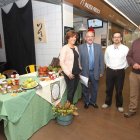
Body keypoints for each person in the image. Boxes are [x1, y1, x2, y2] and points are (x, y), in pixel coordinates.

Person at [102, 32, 129, 113]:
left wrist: (124, 67)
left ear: (121, 38)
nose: (116, 38)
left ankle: (119, 105)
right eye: (115, 37)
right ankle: (107, 103)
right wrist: (108, 66)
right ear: (112, 38)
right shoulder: (108, 48)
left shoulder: (125, 49)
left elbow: (128, 60)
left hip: (120, 72)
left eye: (118, 37)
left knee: (119, 89)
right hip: (110, 71)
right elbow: (105, 58)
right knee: (109, 88)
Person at [78, 31, 104, 109]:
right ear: (85, 38)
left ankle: (93, 102)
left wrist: (101, 71)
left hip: (95, 71)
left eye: (91, 36)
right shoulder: (80, 47)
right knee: (85, 88)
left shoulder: (98, 47)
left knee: (95, 88)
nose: (90, 38)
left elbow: (101, 60)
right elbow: (78, 60)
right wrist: (79, 70)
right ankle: (86, 102)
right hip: (84, 72)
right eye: (88, 36)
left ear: (94, 38)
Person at [59, 30, 81, 104]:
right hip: (69, 73)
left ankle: (70, 106)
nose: (74, 39)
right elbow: (61, 62)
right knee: (70, 90)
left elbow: (77, 60)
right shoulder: (65, 48)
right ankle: (68, 108)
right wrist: (68, 73)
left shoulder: (76, 47)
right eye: (72, 37)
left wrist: (80, 68)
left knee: (74, 89)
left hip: (77, 72)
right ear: (68, 38)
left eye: (75, 37)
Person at [124, 38, 140, 118]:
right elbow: (129, 56)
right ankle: (132, 109)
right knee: (133, 93)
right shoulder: (135, 42)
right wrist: (133, 63)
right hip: (134, 73)